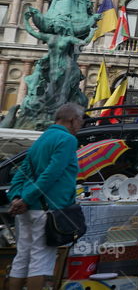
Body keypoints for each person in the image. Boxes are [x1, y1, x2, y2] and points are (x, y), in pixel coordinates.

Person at [7, 103, 83, 290]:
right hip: (47, 208)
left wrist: (16, 198)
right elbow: (51, 174)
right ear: (72, 120)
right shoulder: (67, 139)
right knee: (40, 261)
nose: (81, 124)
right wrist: (26, 200)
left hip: (28, 209)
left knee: (22, 258)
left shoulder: (42, 139)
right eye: (81, 120)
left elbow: (21, 173)